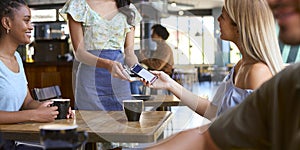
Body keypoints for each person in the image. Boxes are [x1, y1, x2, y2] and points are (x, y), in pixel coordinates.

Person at [145, 0, 300, 149]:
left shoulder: (257, 72)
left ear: (239, 27)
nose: (218, 19)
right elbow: (214, 112)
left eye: (223, 16)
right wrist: (169, 84)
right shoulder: (241, 66)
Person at [0, 0, 73, 149]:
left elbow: (27, 102)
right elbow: (29, 112)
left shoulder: (17, 59)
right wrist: (34, 115)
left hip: (10, 141)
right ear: (7, 23)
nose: (31, 26)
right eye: (26, 20)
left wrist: (51, 109)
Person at [60, 0, 142, 111]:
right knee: (91, 123)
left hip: (119, 79)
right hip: (90, 79)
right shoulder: (78, 4)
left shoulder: (128, 7)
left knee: (122, 122)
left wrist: (141, 72)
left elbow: (130, 53)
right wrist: (107, 64)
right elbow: (79, 53)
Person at [131, 24, 174, 94]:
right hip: (156, 75)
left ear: (159, 35)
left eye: (153, 33)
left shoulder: (165, 48)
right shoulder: (160, 47)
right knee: (134, 80)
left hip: (160, 77)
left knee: (134, 83)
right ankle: (141, 101)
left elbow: (157, 66)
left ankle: (138, 103)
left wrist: (143, 59)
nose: (151, 35)